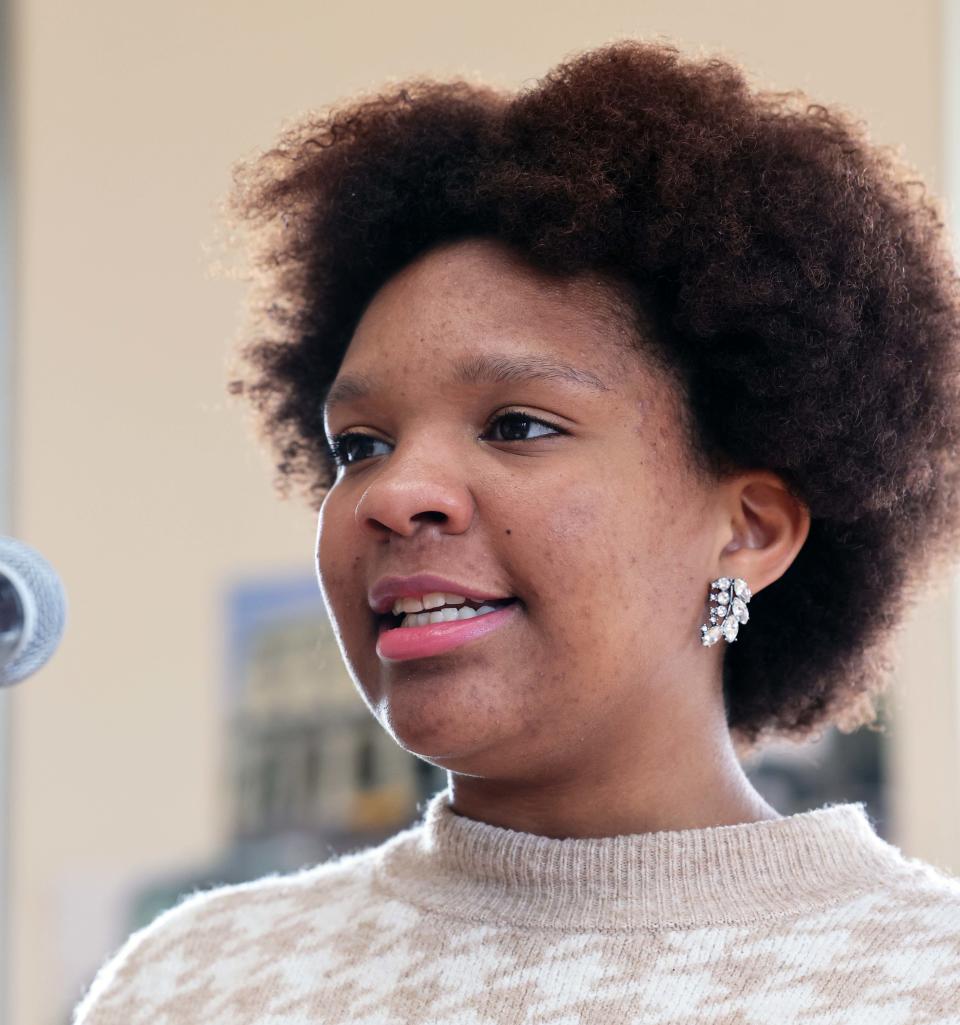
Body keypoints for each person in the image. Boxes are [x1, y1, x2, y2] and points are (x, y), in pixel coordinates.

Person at [73, 39, 960, 1024]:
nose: (395, 492)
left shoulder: (923, 982)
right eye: (359, 444)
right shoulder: (193, 980)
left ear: (749, 530)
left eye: (517, 425)